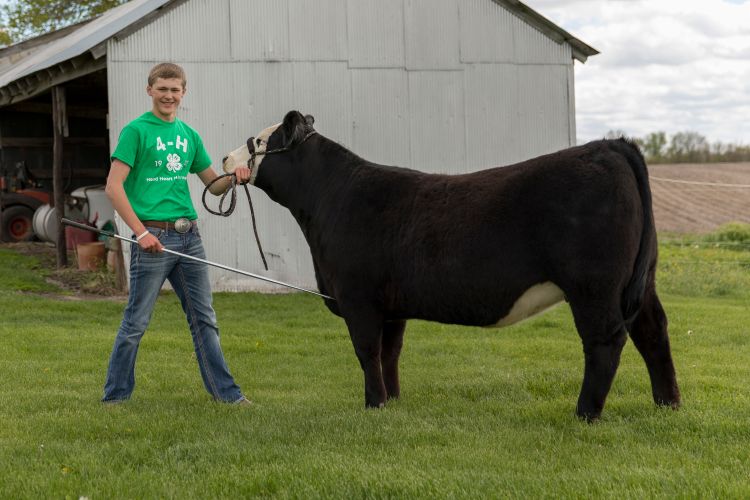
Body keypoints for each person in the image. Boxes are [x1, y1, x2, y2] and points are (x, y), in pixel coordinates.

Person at [102, 62, 251, 405]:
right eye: (162, 88)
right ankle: (115, 398)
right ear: (150, 90)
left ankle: (227, 396)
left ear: (184, 92)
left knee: (204, 320)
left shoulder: (188, 136)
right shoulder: (136, 132)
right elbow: (113, 187)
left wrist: (238, 177)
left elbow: (213, 186)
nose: (169, 95)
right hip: (153, 240)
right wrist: (140, 233)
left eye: (175, 89)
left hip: (189, 238)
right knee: (136, 324)